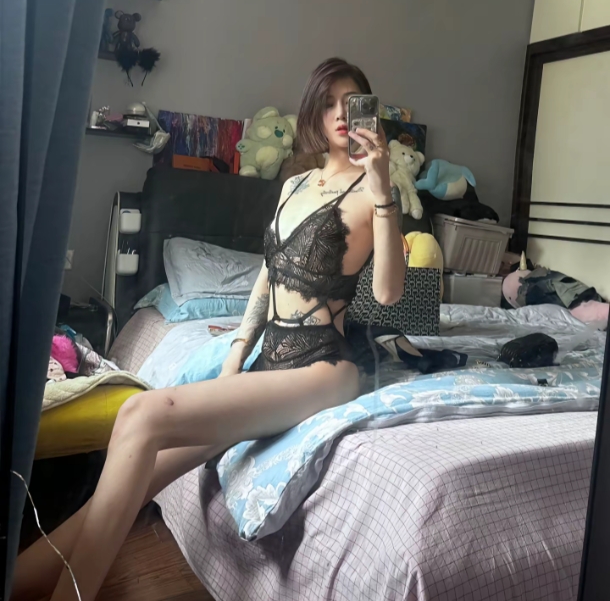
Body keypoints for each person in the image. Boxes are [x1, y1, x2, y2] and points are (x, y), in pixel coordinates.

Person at [12, 57, 406, 601]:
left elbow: (388, 293)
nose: (342, 113)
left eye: (352, 101)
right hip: (268, 362)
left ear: (369, 113)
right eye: (330, 102)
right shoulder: (295, 185)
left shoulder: (373, 193)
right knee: (138, 475)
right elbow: (267, 277)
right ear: (314, 113)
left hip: (324, 368)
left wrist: (383, 190)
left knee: (141, 413)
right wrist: (236, 354)